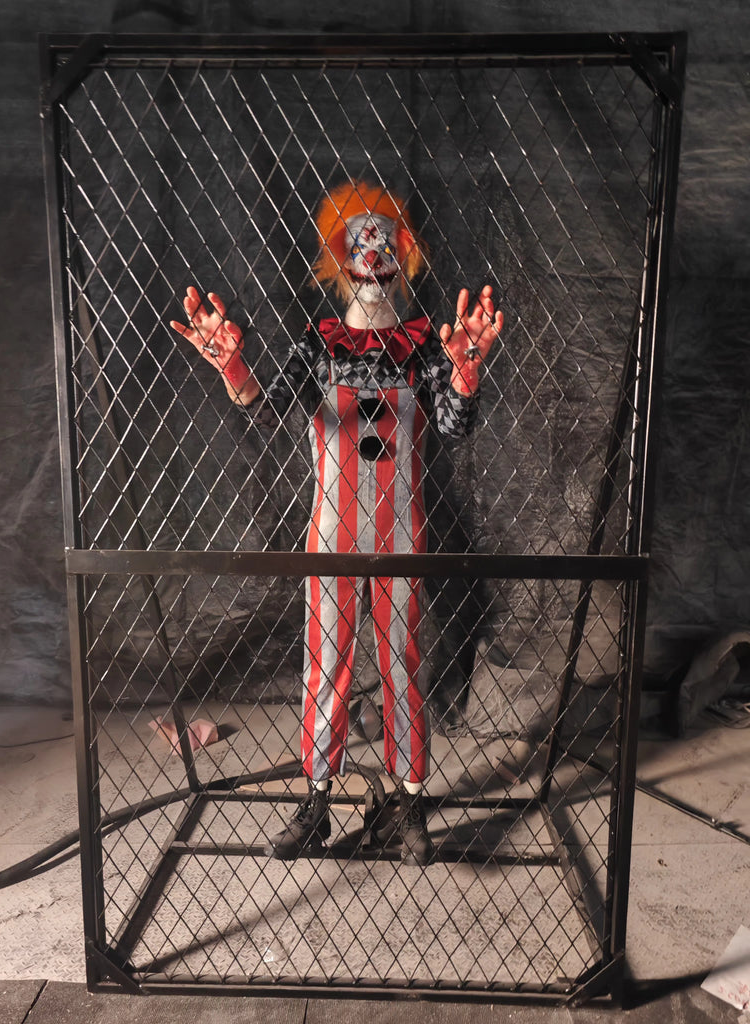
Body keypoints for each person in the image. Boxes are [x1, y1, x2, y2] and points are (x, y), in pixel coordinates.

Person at [171, 181, 503, 865]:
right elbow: (269, 408)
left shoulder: (424, 344)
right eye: (359, 241)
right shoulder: (319, 342)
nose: (372, 254)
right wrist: (233, 366)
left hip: (402, 533)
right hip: (332, 532)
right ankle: (317, 801)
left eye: (384, 241)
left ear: (403, 253)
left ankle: (410, 802)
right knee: (326, 666)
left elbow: (451, 425)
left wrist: (464, 378)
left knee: (405, 663)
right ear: (339, 255)